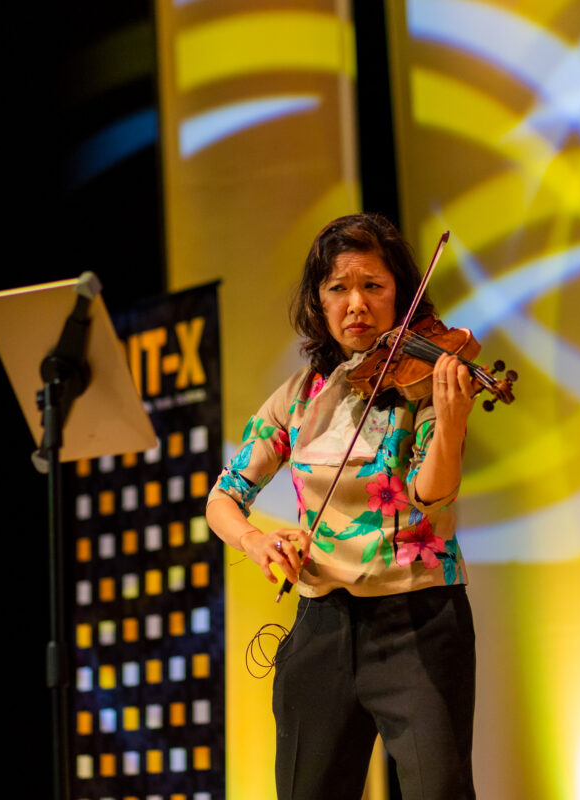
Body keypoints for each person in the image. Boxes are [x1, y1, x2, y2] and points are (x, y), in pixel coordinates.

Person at [205, 212, 478, 799]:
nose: (356, 303)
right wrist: (257, 541)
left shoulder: (423, 383)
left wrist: (450, 427)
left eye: (373, 286)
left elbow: (432, 495)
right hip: (322, 627)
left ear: (399, 295)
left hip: (419, 619)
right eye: (338, 288)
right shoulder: (300, 396)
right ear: (318, 302)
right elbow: (224, 498)